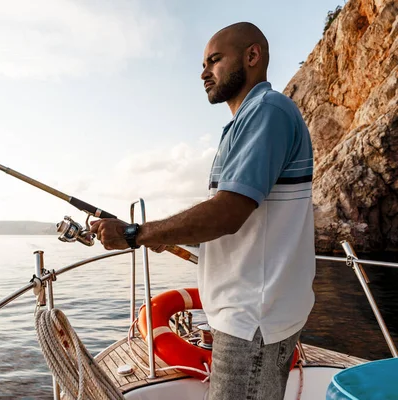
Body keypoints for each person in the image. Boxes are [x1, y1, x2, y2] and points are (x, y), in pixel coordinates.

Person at [90, 22, 315, 400]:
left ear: (252, 56)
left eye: (214, 60)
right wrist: (168, 235)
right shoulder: (245, 122)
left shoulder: (266, 111)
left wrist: (137, 234)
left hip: (253, 318)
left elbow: (229, 212)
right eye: (203, 64)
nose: (203, 72)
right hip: (250, 314)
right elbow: (249, 225)